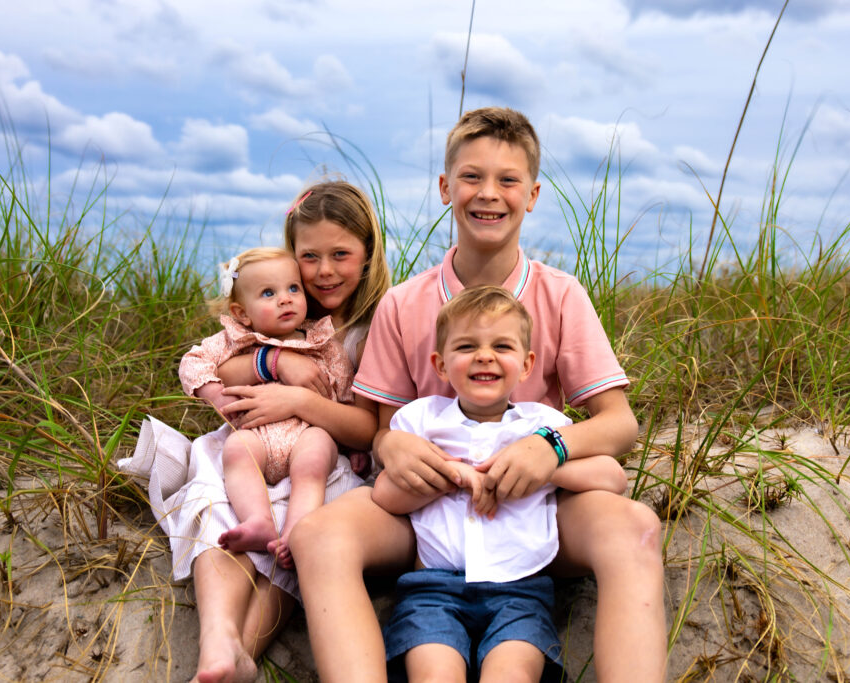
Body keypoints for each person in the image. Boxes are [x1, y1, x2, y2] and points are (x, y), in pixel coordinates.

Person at [290, 108, 667, 682]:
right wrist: (394, 450)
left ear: (533, 194)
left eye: (508, 180)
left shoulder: (562, 296)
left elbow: (619, 424)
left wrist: (550, 449)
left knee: (635, 527)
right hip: (424, 515)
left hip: (532, 508)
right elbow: (380, 427)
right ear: (446, 187)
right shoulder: (406, 303)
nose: (489, 194)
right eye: (471, 177)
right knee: (319, 536)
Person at [122, 181, 389, 683]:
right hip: (254, 448)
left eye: (341, 255)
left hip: (319, 454)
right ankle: (218, 638)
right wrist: (274, 359)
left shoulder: (373, 326)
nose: (324, 271)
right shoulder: (280, 313)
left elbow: (370, 429)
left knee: (295, 531)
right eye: (309, 257)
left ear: (368, 254)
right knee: (222, 511)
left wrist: (300, 399)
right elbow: (221, 365)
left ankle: (238, 652)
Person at [372, 286, 628, 682]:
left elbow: (613, 476)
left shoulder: (540, 425)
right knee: (434, 674)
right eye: (466, 346)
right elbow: (385, 495)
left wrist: (544, 468)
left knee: (512, 674)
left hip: (519, 590)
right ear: (440, 365)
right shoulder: (421, 420)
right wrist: (452, 476)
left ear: (527, 366)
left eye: (502, 346)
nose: (485, 355)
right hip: (433, 589)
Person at [180, 246, 354, 569]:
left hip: (307, 433)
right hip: (255, 432)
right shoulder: (235, 340)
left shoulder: (323, 343)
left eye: (292, 288)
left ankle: (297, 530)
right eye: (268, 293)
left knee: (314, 462)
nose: (285, 299)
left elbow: (344, 391)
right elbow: (193, 362)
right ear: (242, 313)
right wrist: (216, 394)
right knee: (236, 450)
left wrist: (353, 448)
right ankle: (258, 520)